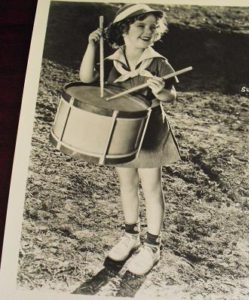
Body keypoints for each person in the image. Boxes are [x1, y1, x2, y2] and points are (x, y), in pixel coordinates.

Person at [79, 3, 181, 276]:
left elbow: (171, 96)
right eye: (140, 26)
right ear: (123, 30)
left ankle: (152, 246)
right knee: (127, 182)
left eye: (152, 27)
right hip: (123, 133)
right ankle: (130, 235)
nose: (148, 32)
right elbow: (86, 78)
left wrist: (161, 93)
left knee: (150, 186)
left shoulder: (158, 62)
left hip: (150, 133)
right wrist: (91, 46)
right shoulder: (112, 60)